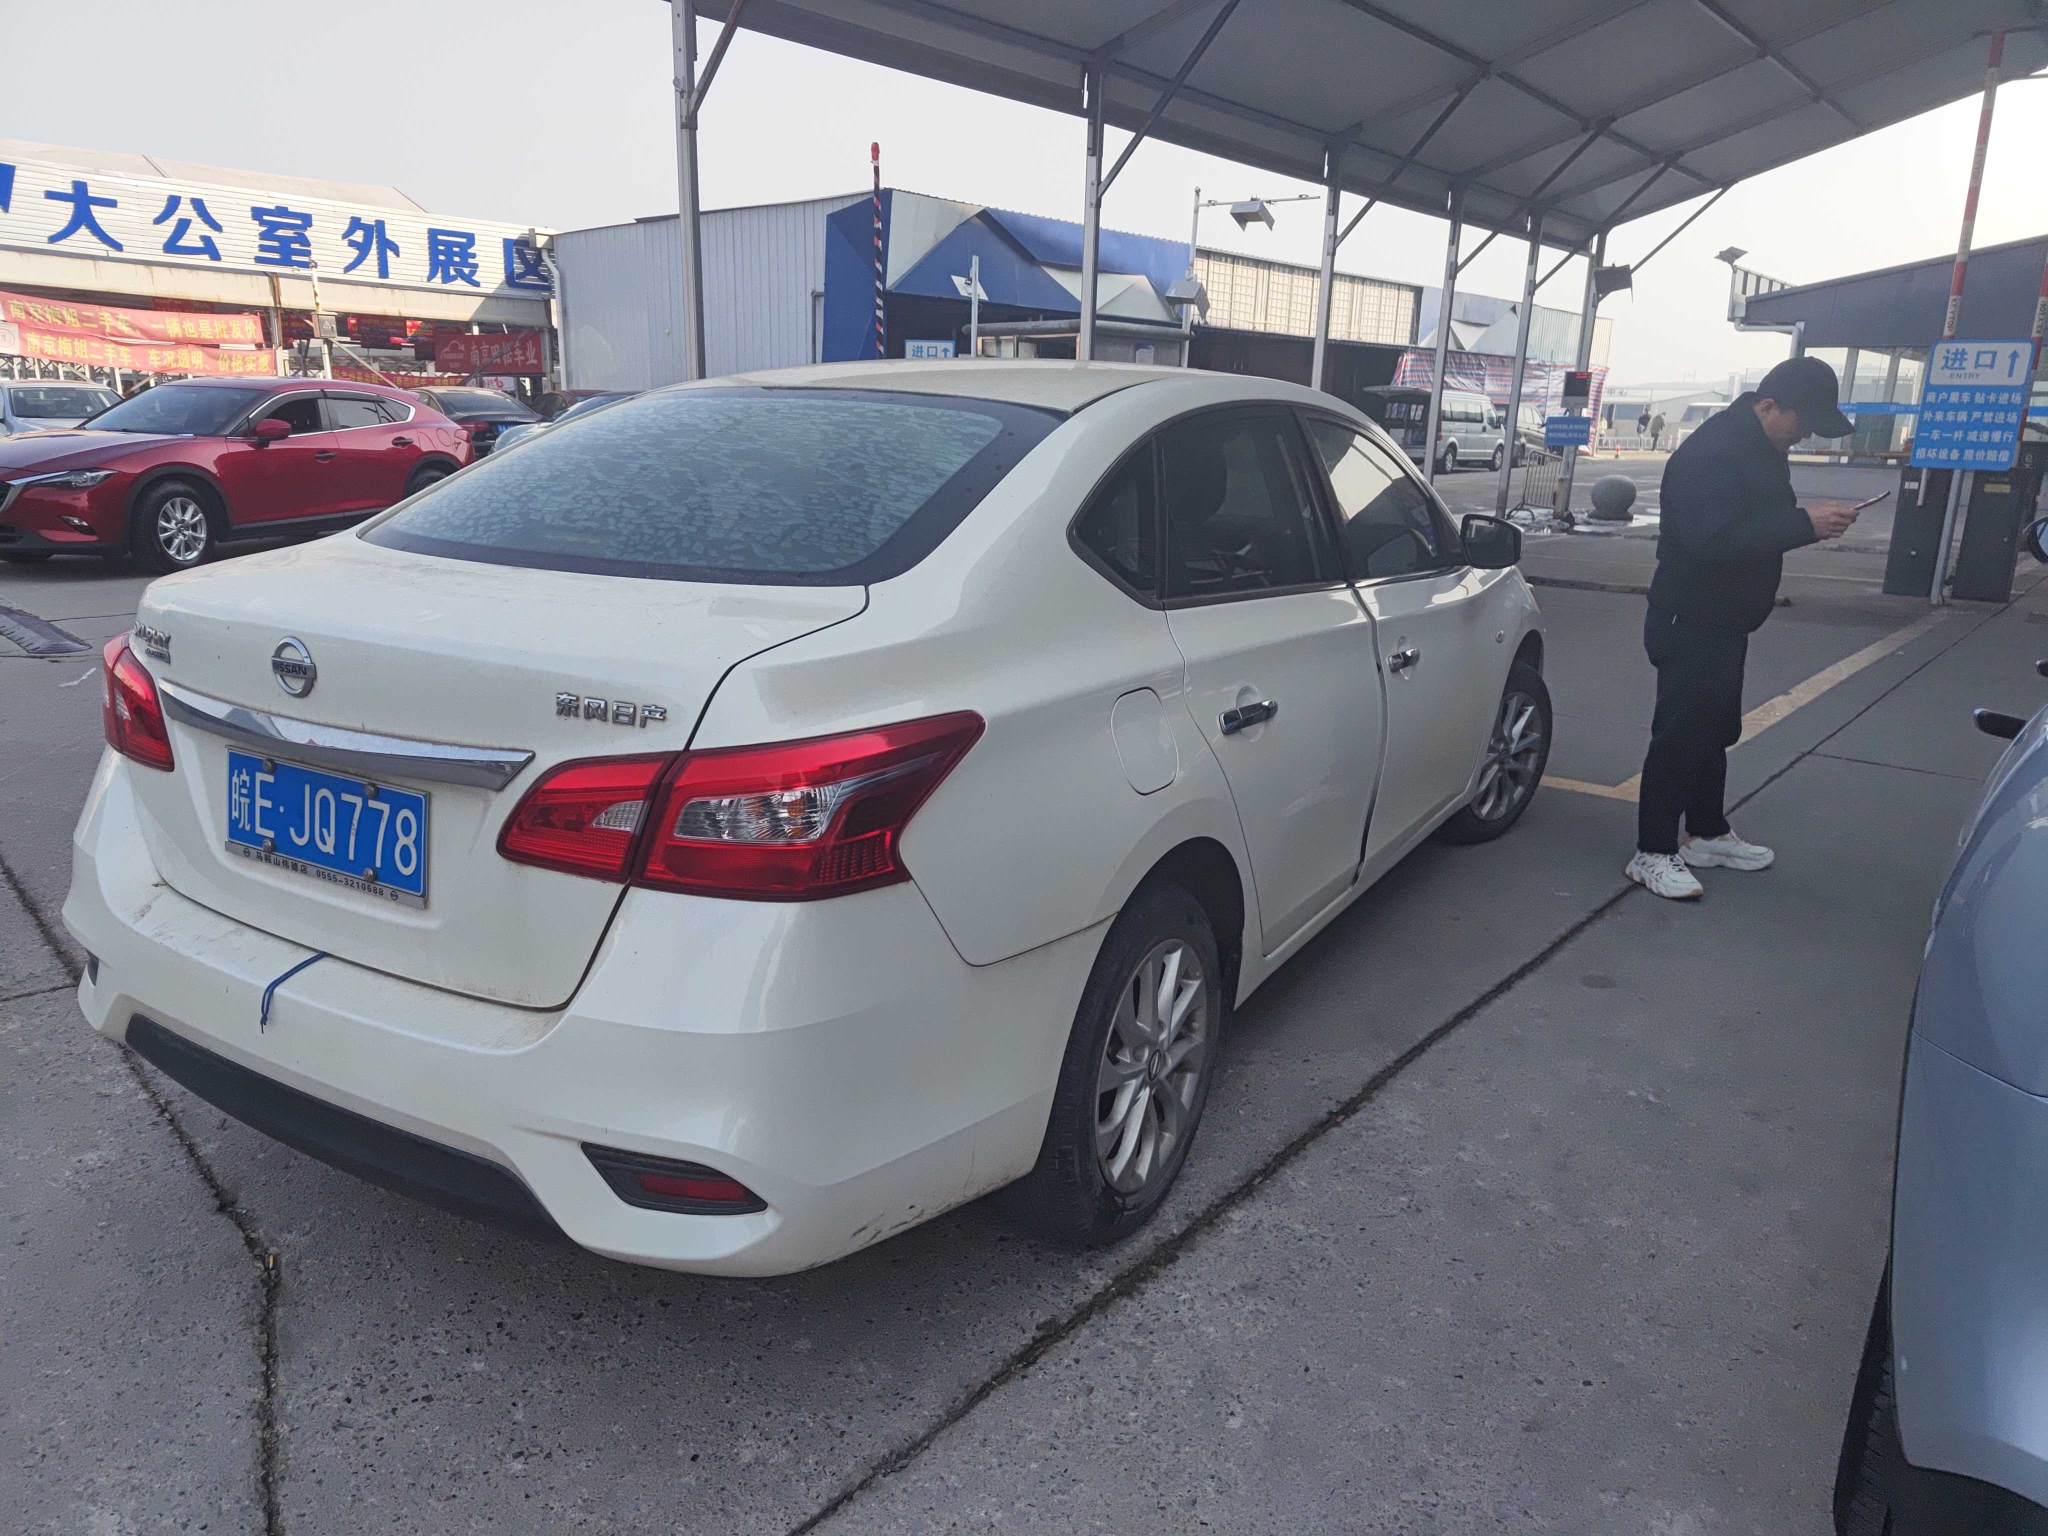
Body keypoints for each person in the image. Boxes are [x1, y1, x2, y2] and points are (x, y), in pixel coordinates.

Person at [1624, 356, 1859, 900]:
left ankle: (1707, 833)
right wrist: (1804, 524)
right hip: (1690, 616)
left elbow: (1757, 522)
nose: (1804, 436)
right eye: (1803, 423)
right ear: (1768, 405)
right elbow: (1712, 540)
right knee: (1680, 734)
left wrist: (1802, 524)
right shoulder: (1712, 454)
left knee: (1713, 729)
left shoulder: (1761, 448)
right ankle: (1651, 851)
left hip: (1726, 618)